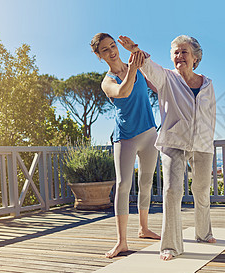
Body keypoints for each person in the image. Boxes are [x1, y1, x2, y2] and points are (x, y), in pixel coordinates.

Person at [118, 34, 217, 260]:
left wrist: (208, 141)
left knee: (201, 190)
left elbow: (211, 115)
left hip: (202, 144)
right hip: (173, 141)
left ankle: (203, 233)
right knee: (172, 191)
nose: (179, 56)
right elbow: (148, 66)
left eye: (184, 52)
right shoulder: (167, 78)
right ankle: (170, 246)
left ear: (195, 57)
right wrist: (135, 50)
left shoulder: (208, 84)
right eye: (175, 52)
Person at [90, 33, 160, 258]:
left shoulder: (136, 65)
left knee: (146, 181)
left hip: (149, 132)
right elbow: (123, 92)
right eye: (105, 50)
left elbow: (155, 76)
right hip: (126, 137)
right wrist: (132, 67)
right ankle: (122, 242)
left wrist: (135, 49)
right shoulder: (108, 81)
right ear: (99, 56)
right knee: (123, 185)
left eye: (113, 46)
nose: (111, 51)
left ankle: (144, 227)